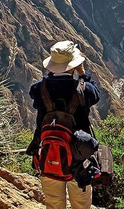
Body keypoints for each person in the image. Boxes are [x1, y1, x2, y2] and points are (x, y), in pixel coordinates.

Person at [28, 41, 100, 209]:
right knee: (81, 205)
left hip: (48, 153)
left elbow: (35, 89)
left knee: (53, 203)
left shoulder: (39, 89)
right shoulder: (84, 90)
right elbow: (96, 93)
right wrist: (83, 74)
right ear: (73, 64)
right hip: (79, 158)